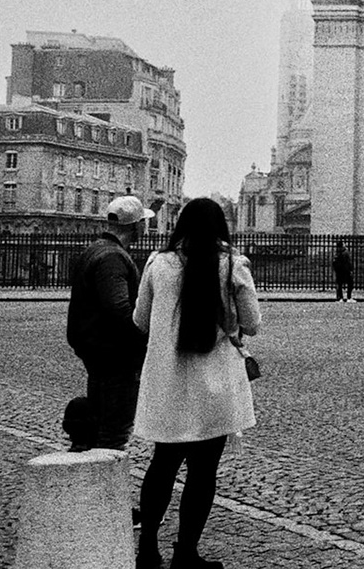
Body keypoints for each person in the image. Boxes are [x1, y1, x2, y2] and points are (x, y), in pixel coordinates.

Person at [132, 197, 260, 569]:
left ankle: (149, 549)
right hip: (214, 385)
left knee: (162, 466)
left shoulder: (159, 263)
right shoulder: (233, 265)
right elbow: (252, 323)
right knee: (203, 474)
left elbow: (140, 320)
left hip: (169, 382)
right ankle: (186, 552)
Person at [65, 195, 153, 450]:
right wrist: (141, 338)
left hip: (96, 349)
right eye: (143, 223)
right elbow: (119, 309)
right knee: (115, 427)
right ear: (136, 226)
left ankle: (91, 457)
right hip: (115, 354)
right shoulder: (113, 257)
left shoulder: (95, 249)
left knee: (101, 417)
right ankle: (105, 475)